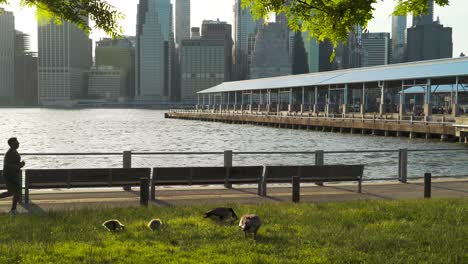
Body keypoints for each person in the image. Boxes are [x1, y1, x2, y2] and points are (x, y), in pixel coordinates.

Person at [0, 138, 25, 215]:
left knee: (16, 192)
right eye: (17, 142)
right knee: (12, 192)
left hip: (13, 175)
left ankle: (13, 209)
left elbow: (13, 163)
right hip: (9, 176)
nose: (19, 143)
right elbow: (8, 164)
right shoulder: (10, 153)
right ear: (12, 144)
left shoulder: (13, 151)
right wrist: (20, 165)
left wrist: (19, 164)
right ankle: (13, 209)